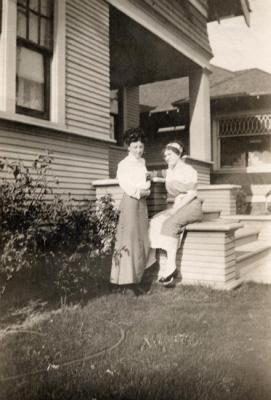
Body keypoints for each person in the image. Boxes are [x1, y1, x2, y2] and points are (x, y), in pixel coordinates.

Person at [149, 141, 203, 286]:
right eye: (165, 155)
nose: (167, 157)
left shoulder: (189, 170)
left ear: (178, 154)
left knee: (170, 224)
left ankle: (171, 268)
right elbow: (154, 174)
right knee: (155, 221)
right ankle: (162, 264)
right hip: (178, 205)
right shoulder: (170, 171)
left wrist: (174, 210)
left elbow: (192, 194)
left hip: (191, 205)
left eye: (170, 154)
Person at [111, 127, 155, 290]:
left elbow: (147, 180)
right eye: (135, 146)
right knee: (129, 239)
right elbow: (126, 185)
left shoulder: (142, 162)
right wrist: (140, 191)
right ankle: (126, 282)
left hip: (141, 203)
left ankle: (138, 277)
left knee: (142, 238)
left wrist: (147, 188)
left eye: (141, 147)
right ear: (128, 146)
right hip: (130, 202)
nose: (138, 150)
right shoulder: (123, 164)